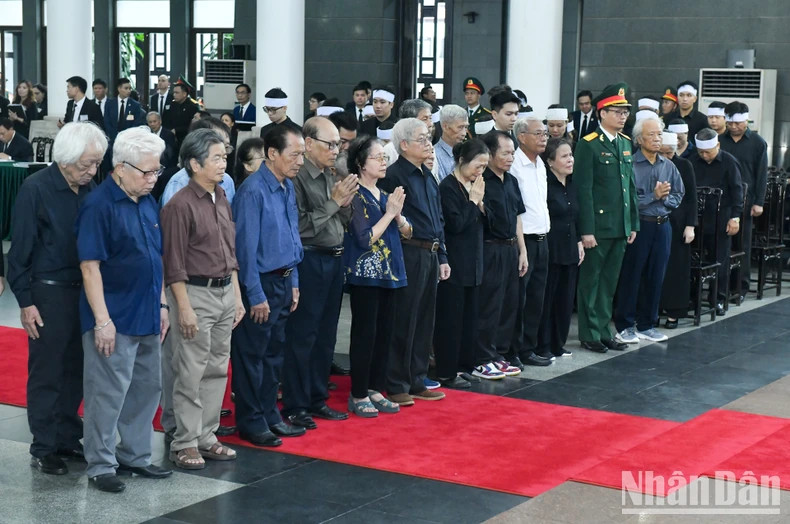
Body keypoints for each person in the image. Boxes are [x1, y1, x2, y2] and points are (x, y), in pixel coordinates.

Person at [6, 122, 107, 477]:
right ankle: (44, 445)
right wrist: (25, 301)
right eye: (87, 164)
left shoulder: (88, 187)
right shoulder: (36, 189)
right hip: (48, 292)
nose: (92, 171)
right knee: (47, 370)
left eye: (97, 164)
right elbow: (19, 251)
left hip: (83, 291)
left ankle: (66, 436)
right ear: (65, 159)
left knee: (76, 367)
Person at [76, 127, 172, 493]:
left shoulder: (146, 201)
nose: (152, 178)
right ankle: (101, 465)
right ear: (120, 167)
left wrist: (162, 303)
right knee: (107, 393)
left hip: (148, 312)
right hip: (114, 316)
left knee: (147, 388)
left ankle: (135, 455)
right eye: (146, 171)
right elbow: (90, 267)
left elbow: (156, 257)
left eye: (157, 170)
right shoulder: (98, 206)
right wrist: (102, 322)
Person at [161, 129, 245, 470]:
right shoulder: (179, 205)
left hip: (224, 291)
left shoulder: (221, 195)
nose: (224, 163)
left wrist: (236, 295)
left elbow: (230, 251)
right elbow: (173, 263)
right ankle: (184, 442)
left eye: (225, 157)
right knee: (190, 371)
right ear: (194, 164)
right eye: (216, 158)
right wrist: (183, 308)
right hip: (194, 293)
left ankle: (207, 436)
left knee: (216, 368)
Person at [231, 125, 305, 447]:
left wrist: (295, 281)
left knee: (274, 354)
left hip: (284, 280)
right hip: (260, 283)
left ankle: (270, 415)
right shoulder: (252, 191)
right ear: (272, 153)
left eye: (302, 154)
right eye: (295, 154)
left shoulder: (286, 186)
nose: (300, 161)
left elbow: (292, 237)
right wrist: (255, 295)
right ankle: (251, 421)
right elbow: (244, 250)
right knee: (252, 356)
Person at [281, 117, 357, 429]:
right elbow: (300, 226)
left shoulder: (331, 174)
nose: (336, 150)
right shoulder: (296, 178)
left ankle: (316, 397)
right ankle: (296, 404)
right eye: (331, 144)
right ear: (309, 144)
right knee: (303, 335)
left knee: (326, 335)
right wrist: (334, 202)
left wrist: (344, 203)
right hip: (309, 260)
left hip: (335, 259)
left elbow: (344, 221)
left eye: (339, 144)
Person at [378, 118, 449, 404]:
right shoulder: (394, 176)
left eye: (429, 137)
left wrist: (442, 255)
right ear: (404, 144)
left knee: (424, 320)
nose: (428, 144)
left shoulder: (428, 175)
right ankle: (396, 382)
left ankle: (418, 378)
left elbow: (438, 219)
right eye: (422, 139)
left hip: (430, 252)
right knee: (403, 319)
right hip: (407, 252)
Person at [343, 136, 409, 416]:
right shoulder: (355, 195)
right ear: (360, 163)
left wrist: (399, 216)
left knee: (385, 334)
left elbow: (408, 231)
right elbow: (364, 238)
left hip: (391, 273)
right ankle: (358, 393)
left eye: (385, 157)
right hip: (366, 275)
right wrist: (390, 214)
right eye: (377, 157)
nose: (384, 162)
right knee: (365, 334)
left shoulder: (384, 194)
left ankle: (375, 388)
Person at [575, 83, 638, 353]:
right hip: (598, 227)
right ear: (602, 113)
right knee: (591, 281)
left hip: (620, 226)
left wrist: (632, 222)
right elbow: (583, 190)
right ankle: (589, 333)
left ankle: (603, 330)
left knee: (609, 283)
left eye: (625, 112)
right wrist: (586, 230)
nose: (623, 116)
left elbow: (629, 187)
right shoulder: (588, 144)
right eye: (617, 111)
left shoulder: (625, 142)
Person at [613, 117, 684, 344]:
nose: (656, 139)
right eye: (651, 134)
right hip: (639, 226)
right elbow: (627, 200)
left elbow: (679, 193)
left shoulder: (668, 165)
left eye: (659, 134)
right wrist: (654, 196)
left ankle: (647, 324)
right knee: (632, 276)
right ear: (639, 139)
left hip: (663, 226)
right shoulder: (630, 165)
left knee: (656, 275)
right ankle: (625, 325)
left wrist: (664, 201)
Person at [474, 131, 530, 378]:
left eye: (512, 153)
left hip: (511, 248)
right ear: (490, 153)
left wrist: (522, 250)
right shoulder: (480, 181)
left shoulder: (511, 181)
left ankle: (500, 354)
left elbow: (517, 217)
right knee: (490, 305)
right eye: (505, 153)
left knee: (509, 305)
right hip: (490, 248)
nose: (510, 158)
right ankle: (483, 357)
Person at [434, 139, 489, 388]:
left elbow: (488, 223)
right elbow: (456, 225)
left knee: (470, 321)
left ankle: (465, 366)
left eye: (484, 167)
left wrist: (480, 203)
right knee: (451, 321)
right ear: (462, 160)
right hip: (454, 264)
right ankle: (447, 371)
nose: (481, 171)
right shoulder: (448, 187)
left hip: (474, 263)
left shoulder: (475, 186)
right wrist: (472, 201)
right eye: (478, 166)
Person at [510, 116, 554, 365]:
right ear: (522, 137)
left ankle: (528, 348)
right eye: (538, 133)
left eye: (545, 133)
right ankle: (513, 350)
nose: (543, 138)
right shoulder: (515, 164)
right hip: (523, 240)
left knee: (537, 297)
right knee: (519, 299)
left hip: (542, 237)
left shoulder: (540, 164)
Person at [688, 128, 743, 315]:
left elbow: (737, 191)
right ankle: (692, 298)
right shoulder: (692, 161)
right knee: (693, 260)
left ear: (717, 145)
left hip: (721, 219)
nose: (704, 155)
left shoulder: (729, 162)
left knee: (720, 261)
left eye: (708, 152)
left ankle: (718, 298)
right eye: (701, 152)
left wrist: (735, 218)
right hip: (697, 219)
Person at [537, 138, 583, 357]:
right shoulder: (545, 184)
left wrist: (579, 241)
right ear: (550, 161)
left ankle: (558, 343)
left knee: (565, 300)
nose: (570, 160)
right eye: (564, 156)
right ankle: (543, 345)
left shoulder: (572, 184)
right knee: (548, 300)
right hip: (552, 249)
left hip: (570, 249)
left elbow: (575, 217)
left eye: (571, 155)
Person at [720, 101, 768, 300]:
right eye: (730, 123)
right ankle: (721, 287)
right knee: (722, 243)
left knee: (743, 244)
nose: (733, 127)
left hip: (746, 201)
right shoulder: (720, 141)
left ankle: (740, 287)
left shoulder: (757, 143)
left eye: (738, 123)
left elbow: (761, 175)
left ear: (746, 121)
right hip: (723, 199)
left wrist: (759, 202)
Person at [659, 131, 697, 328]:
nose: (666, 157)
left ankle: (674, 313)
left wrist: (690, 225)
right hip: (657, 220)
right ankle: (654, 310)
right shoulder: (652, 164)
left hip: (679, 223)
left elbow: (691, 197)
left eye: (669, 153)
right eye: (662, 153)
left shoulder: (684, 165)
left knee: (676, 269)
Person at [161, 118, 236, 206]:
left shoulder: (227, 181)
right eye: (216, 145)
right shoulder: (180, 183)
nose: (223, 152)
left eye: (226, 147)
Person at [103, 78, 146, 142]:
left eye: (130, 88)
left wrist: (126, 135)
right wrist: (114, 135)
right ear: (119, 89)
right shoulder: (109, 103)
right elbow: (107, 121)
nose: (129, 91)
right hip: (113, 138)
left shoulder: (135, 105)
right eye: (126, 88)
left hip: (129, 139)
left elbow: (136, 123)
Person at [434, 105, 469, 182]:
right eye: (460, 127)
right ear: (445, 127)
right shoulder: (434, 156)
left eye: (466, 127)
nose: (464, 133)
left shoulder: (468, 152)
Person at [163, 77, 199, 146]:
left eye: (177, 93)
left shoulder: (193, 107)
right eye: (174, 92)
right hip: (171, 139)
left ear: (184, 94)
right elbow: (166, 120)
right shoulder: (172, 104)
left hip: (186, 140)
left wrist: (177, 130)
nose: (174, 95)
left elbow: (192, 126)